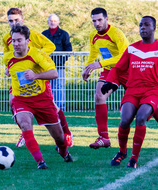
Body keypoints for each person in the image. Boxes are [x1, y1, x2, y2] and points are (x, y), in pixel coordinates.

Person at [3, 25, 73, 169]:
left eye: (19, 41)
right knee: (25, 124)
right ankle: (40, 161)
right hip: (21, 99)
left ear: (27, 41)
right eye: (13, 41)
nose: (16, 44)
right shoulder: (7, 58)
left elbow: (54, 73)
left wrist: (36, 76)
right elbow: (11, 70)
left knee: (59, 136)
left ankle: (63, 151)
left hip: (41, 98)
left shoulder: (37, 55)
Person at [102, 16, 158, 168]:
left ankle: (134, 158)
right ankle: (122, 152)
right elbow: (118, 68)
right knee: (125, 120)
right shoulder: (132, 48)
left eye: (146, 25)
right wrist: (110, 81)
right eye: (140, 25)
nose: (143, 28)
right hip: (132, 91)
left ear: (154, 28)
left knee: (141, 118)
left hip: (153, 91)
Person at [82, 7, 130, 149]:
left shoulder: (116, 33)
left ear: (107, 19)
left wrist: (100, 63)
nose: (97, 23)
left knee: (142, 104)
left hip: (127, 70)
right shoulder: (93, 35)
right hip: (111, 71)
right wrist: (87, 68)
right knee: (99, 97)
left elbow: (124, 55)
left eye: (99, 20)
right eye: (94, 21)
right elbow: (93, 52)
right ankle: (104, 137)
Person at [42, 13, 72, 111]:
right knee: (46, 86)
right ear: (47, 22)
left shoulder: (64, 34)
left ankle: (60, 108)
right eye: (51, 21)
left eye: (55, 21)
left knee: (59, 86)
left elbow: (68, 49)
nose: (53, 23)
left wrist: (62, 60)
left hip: (59, 66)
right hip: (46, 67)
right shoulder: (44, 34)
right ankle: (47, 107)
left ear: (58, 22)